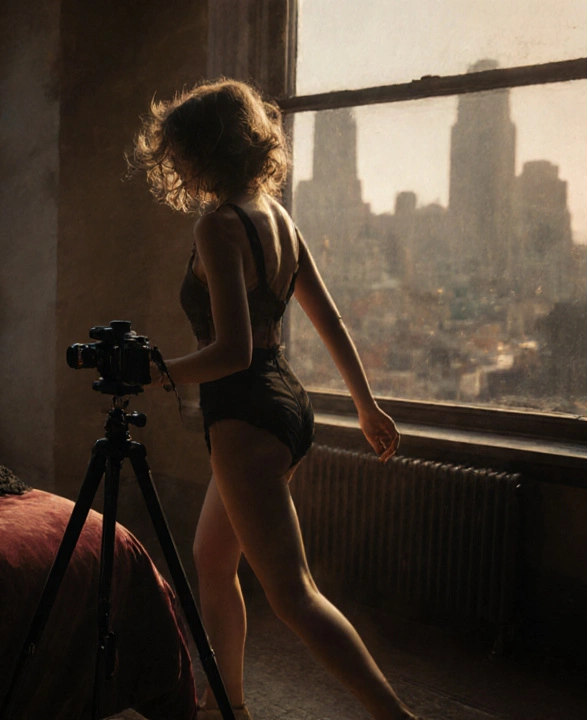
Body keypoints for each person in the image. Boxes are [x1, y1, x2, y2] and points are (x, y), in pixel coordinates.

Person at [129, 78, 420, 720]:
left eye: (179, 151)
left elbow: (231, 353)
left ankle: (398, 717)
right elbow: (331, 319)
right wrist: (366, 406)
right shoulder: (276, 216)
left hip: (245, 412)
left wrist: (157, 373)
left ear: (206, 152)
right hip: (286, 402)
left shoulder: (217, 227)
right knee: (212, 558)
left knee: (294, 594)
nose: (174, 164)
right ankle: (225, 704)